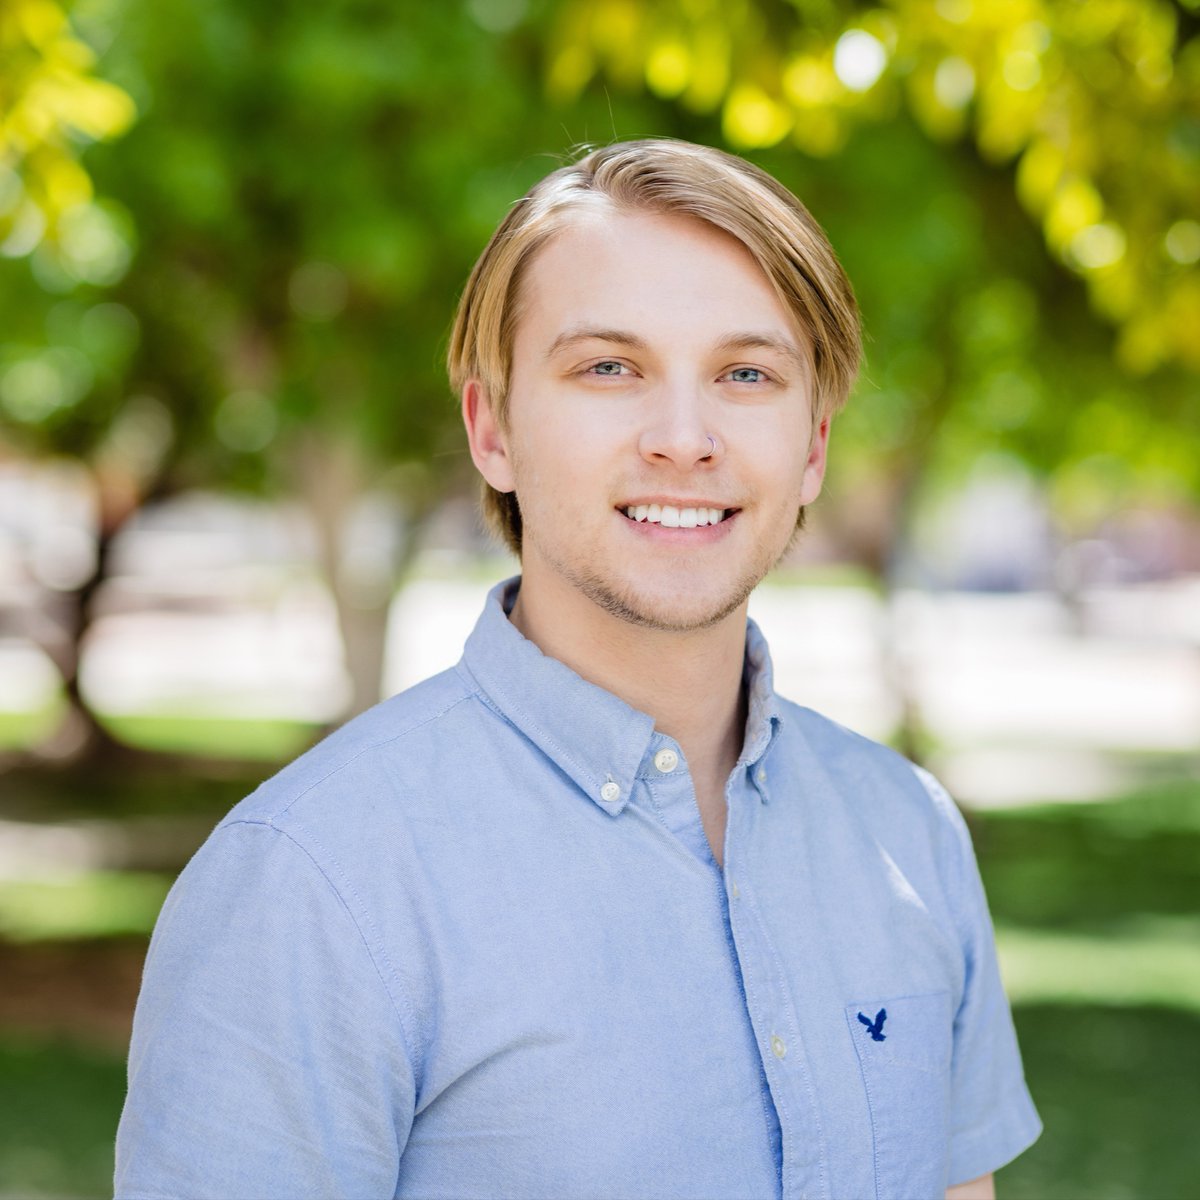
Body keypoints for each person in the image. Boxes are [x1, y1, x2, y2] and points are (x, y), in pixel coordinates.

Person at [115, 138, 1040, 1200]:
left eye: (747, 374)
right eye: (610, 367)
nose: (685, 439)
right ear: (492, 428)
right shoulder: (311, 884)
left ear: (816, 446)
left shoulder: (906, 830)